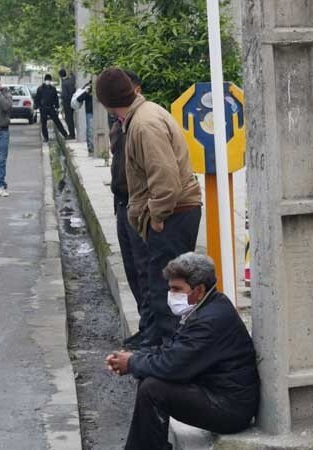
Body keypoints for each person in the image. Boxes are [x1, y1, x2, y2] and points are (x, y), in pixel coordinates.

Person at [106, 253, 260, 450]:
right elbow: (173, 351)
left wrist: (132, 362)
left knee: (152, 389)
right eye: (170, 288)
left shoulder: (210, 320)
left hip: (229, 409)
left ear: (199, 290)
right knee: (149, 377)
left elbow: (172, 365)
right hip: (215, 391)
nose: (171, 294)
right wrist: (137, 358)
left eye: (177, 289)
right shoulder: (207, 306)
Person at [96, 67, 202, 347]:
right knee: (156, 286)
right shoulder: (139, 117)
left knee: (165, 290)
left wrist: (157, 215)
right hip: (170, 212)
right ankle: (156, 344)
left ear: (107, 101)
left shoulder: (144, 124)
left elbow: (165, 178)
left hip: (173, 214)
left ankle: (169, 356)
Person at [109, 70, 147, 350]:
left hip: (140, 207)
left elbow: (161, 174)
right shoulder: (119, 124)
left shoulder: (144, 122)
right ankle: (146, 326)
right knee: (132, 270)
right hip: (123, 203)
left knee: (146, 272)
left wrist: (154, 215)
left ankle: (152, 331)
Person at [35, 74, 68, 143]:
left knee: (57, 122)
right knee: (44, 123)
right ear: (45, 80)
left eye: (49, 80)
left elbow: (56, 98)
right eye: (47, 80)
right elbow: (37, 99)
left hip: (51, 108)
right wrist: (38, 106)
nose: (48, 81)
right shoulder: (40, 89)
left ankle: (65, 134)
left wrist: (57, 107)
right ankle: (46, 137)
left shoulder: (53, 88)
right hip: (43, 108)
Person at [72, 80, 94, 155]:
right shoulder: (87, 86)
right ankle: (90, 147)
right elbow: (79, 99)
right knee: (90, 130)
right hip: (90, 112)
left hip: (100, 112)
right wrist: (86, 92)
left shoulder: (102, 85)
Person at [59, 69, 76, 139]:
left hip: (67, 103)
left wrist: (61, 96)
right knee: (70, 118)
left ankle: (72, 135)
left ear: (60, 75)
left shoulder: (64, 83)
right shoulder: (71, 80)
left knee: (68, 119)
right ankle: (72, 134)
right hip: (72, 102)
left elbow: (64, 95)